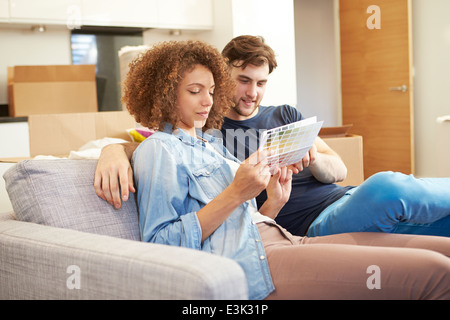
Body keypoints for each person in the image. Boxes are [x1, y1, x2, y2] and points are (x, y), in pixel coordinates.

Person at [124, 40, 450, 300]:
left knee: (444, 254)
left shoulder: (212, 147)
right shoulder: (159, 149)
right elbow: (160, 244)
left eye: (211, 90)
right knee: (437, 270)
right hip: (258, 259)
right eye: (195, 91)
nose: (207, 100)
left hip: (283, 236)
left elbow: (247, 218)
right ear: (164, 93)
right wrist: (236, 193)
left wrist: (273, 202)